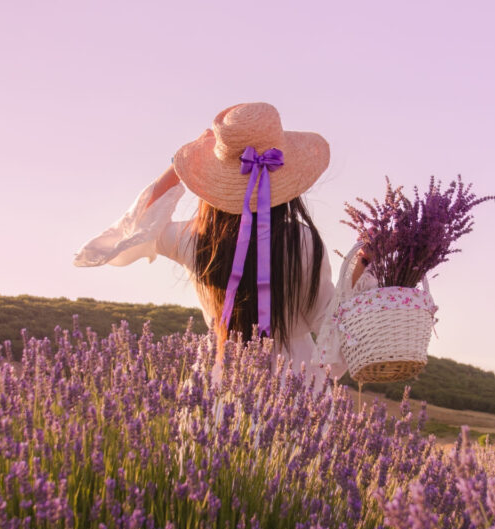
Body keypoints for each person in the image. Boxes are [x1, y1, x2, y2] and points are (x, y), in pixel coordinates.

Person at [74, 102, 370, 384]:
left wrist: (179, 167)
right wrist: (361, 269)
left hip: (221, 377)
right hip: (295, 383)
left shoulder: (197, 237)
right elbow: (330, 322)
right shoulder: (302, 241)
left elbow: (139, 226)